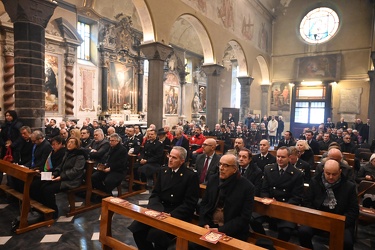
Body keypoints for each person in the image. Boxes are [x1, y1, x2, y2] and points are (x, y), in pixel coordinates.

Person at [128, 146, 199, 250]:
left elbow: (190, 203)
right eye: (170, 156)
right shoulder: (163, 171)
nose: (170, 159)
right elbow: (155, 193)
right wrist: (155, 210)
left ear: (182, 161)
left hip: (176, 214)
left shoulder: (190, 176)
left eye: (174, 158)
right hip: (159, 209)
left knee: (156, 234)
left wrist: (171, 215)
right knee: (137, 228)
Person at [298, 159, 359, 250]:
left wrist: (340, 223)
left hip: (340, 220)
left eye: (334, 174)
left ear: (340, 172)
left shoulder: (349, 186)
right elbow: (307, 202)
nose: (330, 177)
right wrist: (317, 217)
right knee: (303, 232)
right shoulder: (315, 182)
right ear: (323, 171)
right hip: (318, 217)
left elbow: (353, 210)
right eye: (328, 173)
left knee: (346, 242)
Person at [198, 154, 254, 243]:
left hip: (231, 230)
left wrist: (221, 229)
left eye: (226, 165)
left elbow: (244, 217)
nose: (221, 168)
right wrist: (205, 223)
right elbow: (204, 204)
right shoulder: (213, 179)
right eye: (220, 164)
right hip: (209, 225)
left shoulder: (247, 187)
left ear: (235, 169)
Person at [251, 146, 304, 241]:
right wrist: (267, 199)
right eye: (278, 156)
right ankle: (265, 241)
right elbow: (264, 190)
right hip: (269, 205)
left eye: (283, 157)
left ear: (289, 157)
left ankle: (279, 246)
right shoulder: (268, 169)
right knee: (252, 219)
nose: (279, 159)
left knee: (286, 230)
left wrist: (280, 206)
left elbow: (296, 197)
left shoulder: (297, 174)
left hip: (286, 208)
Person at [30, 136, 86, 219]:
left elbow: (76, 171)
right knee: (37, 184)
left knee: (48, 189)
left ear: (77, 145)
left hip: (71, 180)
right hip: (61, 177)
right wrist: (55, 174)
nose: (69, 144)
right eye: (68, 142)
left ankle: (54, 212)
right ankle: (43, 207)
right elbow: (60, 166)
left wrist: (61, 177)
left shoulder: (80, 156)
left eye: (72, 143)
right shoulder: (68, 153)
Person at [0, 110, 23, 183]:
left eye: (9, 115)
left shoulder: (18, 125)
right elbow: (1, 136)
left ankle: (11, 183)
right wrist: (4, 144)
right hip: (5, 148)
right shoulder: (4, 125)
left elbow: (20, 137)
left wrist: (12, 144)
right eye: (6, 116)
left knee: (12, 167)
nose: (8, 117)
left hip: (14, 149)